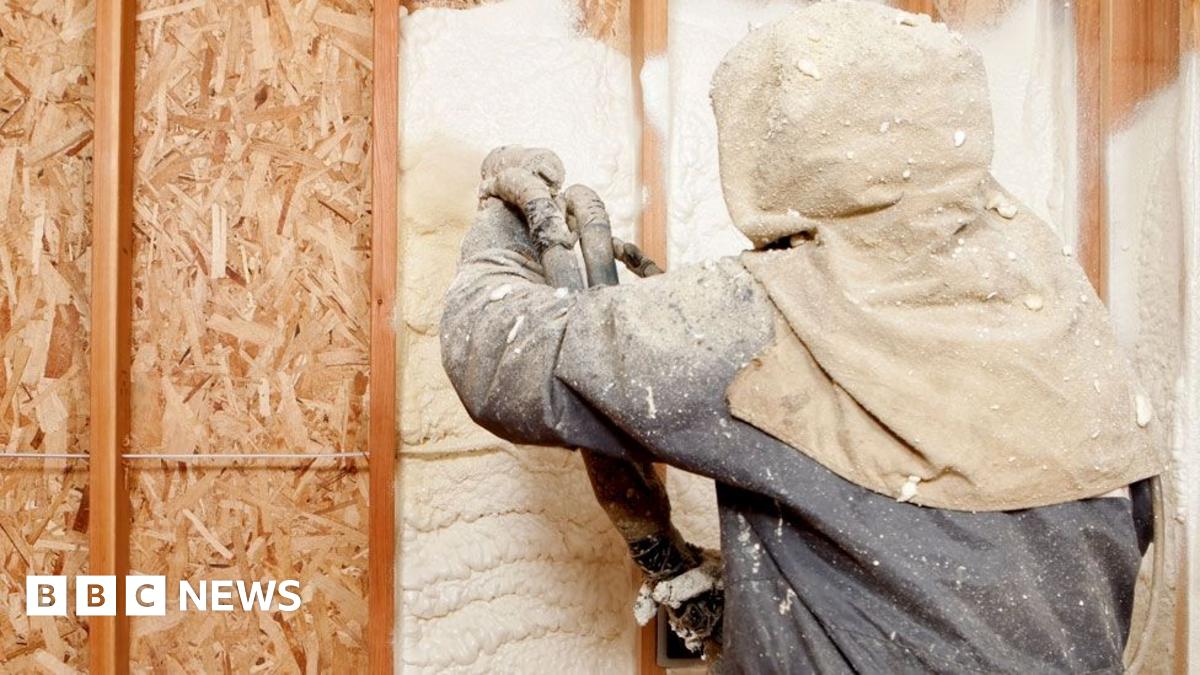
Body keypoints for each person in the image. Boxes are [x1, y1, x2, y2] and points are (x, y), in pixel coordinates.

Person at [439, 2, 1165, 672]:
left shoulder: (776, 316)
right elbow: (959, 569)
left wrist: (504, 209)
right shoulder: (1058, 306)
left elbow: (495, 351)